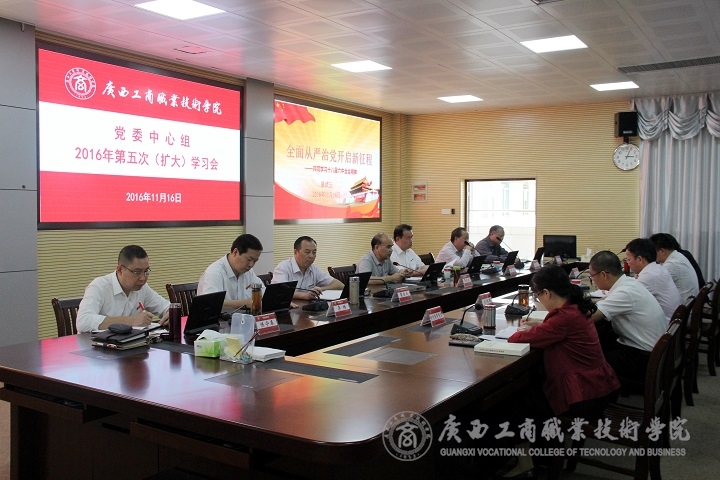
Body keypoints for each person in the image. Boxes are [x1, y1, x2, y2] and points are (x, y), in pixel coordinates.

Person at [504, 265, 620, 477]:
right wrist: (538, 328)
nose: (537, 300)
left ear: (546, 293)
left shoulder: (564, 318)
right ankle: (539, 457)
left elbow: (516, 338)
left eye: (537, 295)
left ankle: (531, 462)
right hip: (598, 388)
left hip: (584, 397)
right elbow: (552, 331)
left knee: (515, 399)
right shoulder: (576, 308)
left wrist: (530, 330)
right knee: (530, 389)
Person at [588, 251, 667, 386]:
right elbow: (606, 300)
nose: (592, 280)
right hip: (654, 352)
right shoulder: (629, 283)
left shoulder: (625, 292)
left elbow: (591, 317)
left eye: (592, 276)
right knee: (602, 337)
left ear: (603, 275)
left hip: (644, 359)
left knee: (588, 358)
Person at [76, 245, 169, 333]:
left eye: (146, 271)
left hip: (129, 342)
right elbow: (83, 321)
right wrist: (130, 321)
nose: (143, 278)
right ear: (120, 270)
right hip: (95, 343)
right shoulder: (99, 286)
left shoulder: (142, 288)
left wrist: (171, 314)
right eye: (137, 272)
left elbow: (166, 307)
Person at [198, 234, 265, 309]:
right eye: (249, 259)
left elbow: (263, 292)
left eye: (255, 261)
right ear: (235, 252)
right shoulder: (214, 273)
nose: (251, 265)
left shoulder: (248, 271)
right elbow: (211, 302)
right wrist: (244, 303)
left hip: (242, 315)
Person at [624, 238, 682, 321]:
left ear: (639, 259)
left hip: (665, 323)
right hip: (673, 320)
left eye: (628, 259)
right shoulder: (657, 268)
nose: (627, 263)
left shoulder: (649, 275)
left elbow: (627, 298)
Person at [272, 236, 344, 300]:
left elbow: (340, 285)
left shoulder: (313, 268)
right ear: (295, 252)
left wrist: (320, 289)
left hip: (308, 308)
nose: (311, 256)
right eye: (307, 252)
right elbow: (281, 292)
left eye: (314, 252)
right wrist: (305, 295)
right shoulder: (283, 267)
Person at [649, 233, 699, 301]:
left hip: (682, 305)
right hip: (689, 302)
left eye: (653, 252)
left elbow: (653, 285)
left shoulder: (672, 264)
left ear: (662, 251)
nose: (652, 255)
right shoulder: (678, 256)